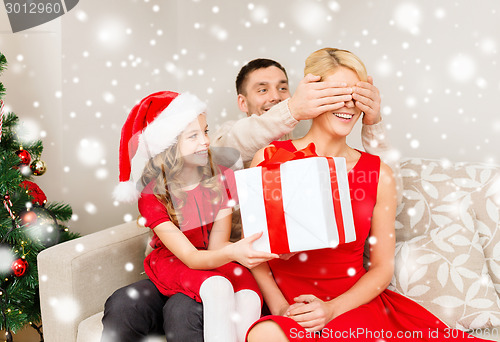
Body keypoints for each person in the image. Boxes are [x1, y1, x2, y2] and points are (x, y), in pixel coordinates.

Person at [102, 58, 400, 342]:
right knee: (123, 303)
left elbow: (376, 176)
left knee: (184, 310)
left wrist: (370, 121)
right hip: (189, 263)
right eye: (262, 89)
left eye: (283, 87)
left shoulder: (306, 139)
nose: (275, 97)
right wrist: (291, 108)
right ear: (242, 103)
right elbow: (237, 142)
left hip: (234, 263)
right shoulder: (225, 143)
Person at [245, 48, 488, 342]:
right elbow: (254, 251)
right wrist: (280, 305)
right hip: (290, 308)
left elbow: (382, 268)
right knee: (264, 334)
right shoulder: (269, 158)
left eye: (356, 94)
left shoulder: (378, 174)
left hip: (350, 305)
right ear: (313, 95)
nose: (348, 104)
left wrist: (331, 310)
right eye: (336, 93)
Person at [111, 91, 279, 342]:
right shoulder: (151, 195)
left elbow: (218, 246)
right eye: (193, 136)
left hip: (214, 257)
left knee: (249, 294)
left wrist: (241, 251)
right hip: (175, 261)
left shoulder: (221, 178)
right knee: (217, 286)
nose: (205, 142)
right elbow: (190, 257)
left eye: (206, 131)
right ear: (168, 147)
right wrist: (234, 253)